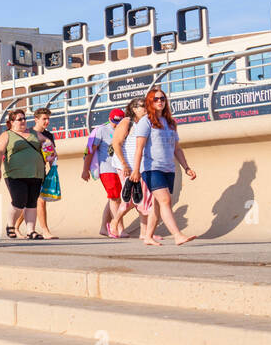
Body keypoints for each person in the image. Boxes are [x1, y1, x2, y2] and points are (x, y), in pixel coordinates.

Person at [130, 88, 198, 245]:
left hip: (168, 169)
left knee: (158, 204)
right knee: (166, 200)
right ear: (150, 103)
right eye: (155, 99)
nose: (159, 101)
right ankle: (177, 235)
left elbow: (177, 149)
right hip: (151, 168)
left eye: (162, 98)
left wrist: (186, 168)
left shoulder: (171, 123)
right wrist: (135, 170)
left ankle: (148, 236)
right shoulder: (145, 122)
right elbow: (139, 148)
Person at [0, 109, 45, 239]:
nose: (23, 121)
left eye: (24, 119)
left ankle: (30, 231)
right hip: (15, 174)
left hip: (36, 173)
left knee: (32, 202)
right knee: (19, 200)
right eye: (19, 119)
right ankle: (10, 225)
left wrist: (49, 148)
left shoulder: (33, 133)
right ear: (11, 122)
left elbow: (46, 141)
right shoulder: (7, 135)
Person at [82, 108, 128, 236]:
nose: (116, 125)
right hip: (106, 169)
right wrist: (85, 170)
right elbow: (90, 151)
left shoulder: (126, 129)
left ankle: (104, 227)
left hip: (120, 169)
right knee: (114, 197)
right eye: (114, 122)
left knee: (116, 198)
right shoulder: (101, 130)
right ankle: (119, 228)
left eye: (119, 122)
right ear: (109, 119)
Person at [108, 98, 147, 237]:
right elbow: (116, 143)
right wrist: (124, 164)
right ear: (134, 108)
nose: (145, 108)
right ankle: (114, 222)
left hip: (140, 166)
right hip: (126, 166)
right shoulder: (126, 122)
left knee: (143, 199)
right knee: (128, 199)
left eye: (146, 106)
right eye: (142, 106)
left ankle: (144, 233)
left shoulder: (146, 122)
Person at [29, 108, 60, 239]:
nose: (47, 121)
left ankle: (44, 230)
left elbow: (51, 154)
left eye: (48, 118)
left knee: (39, 201)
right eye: (44, 119)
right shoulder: (29, 133)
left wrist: (53, 172)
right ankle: (44, 230)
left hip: (42, 171)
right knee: (29, 202)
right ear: (36, 119)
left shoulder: (49, 135)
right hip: (28, 171)